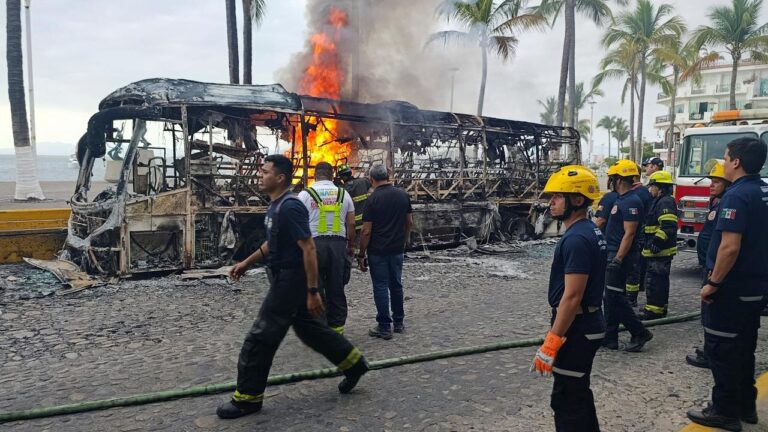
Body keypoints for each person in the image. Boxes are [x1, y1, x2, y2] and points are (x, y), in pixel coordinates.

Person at [217, 155, 368, 419]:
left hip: (290, 280)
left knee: (260, 337)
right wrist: (246, 263)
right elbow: (271, 244)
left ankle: (247, 399)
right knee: (312, 331)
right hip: (284, 277)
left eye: (265, 172)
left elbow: (308, 247)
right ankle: (354, 364)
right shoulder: (276, 207)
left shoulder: (291, 206)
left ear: (280, 178)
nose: (260, 176)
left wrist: (311, 291)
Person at [687, 137, 768, 431]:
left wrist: (713, 283)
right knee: (744, 348)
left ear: (736, 162)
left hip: (731, 291)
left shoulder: (735, 196)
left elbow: (729, 247)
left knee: (721, 351)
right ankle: (747, 406)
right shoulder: (763, 191)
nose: (722, 162)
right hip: (755, 288)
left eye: (725, 157)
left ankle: (724, 411)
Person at [531, 165, 606, 432]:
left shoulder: (576, 238)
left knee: (566, 398)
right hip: (589, 323)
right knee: (578, 392)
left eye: (557, 197)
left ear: (576, 200)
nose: (551, 203)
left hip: (578, 328)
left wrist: (552, 340)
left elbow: (572, 297)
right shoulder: (590, 231)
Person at [298, 162, 356, 334]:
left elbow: (297, 223)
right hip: (338, 246)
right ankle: (337, 329)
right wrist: (351, 245)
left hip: (313, 246)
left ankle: (320, 329)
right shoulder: (343, 194)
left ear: (315, 175)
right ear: (332, 176)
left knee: (316, 287)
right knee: (336, 287)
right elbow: (351, 223)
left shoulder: (304, 195)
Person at [602, 160, 653, 352]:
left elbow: (629, 233)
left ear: (619, 179)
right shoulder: (621, 199)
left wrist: (618, 259)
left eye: (612, 178)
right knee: (611, 296)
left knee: (615, 297)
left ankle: (639, 332)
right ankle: (610, 337)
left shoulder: (632, 201)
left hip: (620, 255)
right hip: (614, 252)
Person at [357, 164, 413, 340]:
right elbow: (409, 222)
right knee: (396, 284)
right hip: (396, 249)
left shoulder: (372, 200)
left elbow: (366, 231)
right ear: (388, 176)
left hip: (378, 251)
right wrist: (403, 241)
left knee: (380, 285)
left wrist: (361, 253)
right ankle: (398, 323)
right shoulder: (403, 195)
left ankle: (384, 326)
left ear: (371, 179)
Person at [687, 159, 730, 369]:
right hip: (708, 264)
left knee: (712, 313)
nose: (711, 185)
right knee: (708, 313)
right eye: (711, 180)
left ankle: (710, 354)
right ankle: (709, 349)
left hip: (714, 268)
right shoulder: (718, 202)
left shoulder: (726, 204)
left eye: (716, 181)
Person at [638, 170, 678, 320]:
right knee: (657, 280)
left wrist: (657, 242)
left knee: (655, 281)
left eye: (652, 186)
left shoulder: (665, 201)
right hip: (657, 250)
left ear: (660, 187)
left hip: (660, 251)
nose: (650, 189)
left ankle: (654, 311)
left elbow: (668, 225)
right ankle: (659, 308)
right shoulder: (659, 201)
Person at [626, 167, 652, 307]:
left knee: (634, 267)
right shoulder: (644, 192)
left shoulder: (636, 194)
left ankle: (631, 297)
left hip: (637, 234)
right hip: (642, 233)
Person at [338, 164, 373, 233]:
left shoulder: (341, 189)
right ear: (350, 173)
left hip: (351, 226)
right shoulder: (363, 182)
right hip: (365, 223)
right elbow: (371, 182)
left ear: (342, 177)